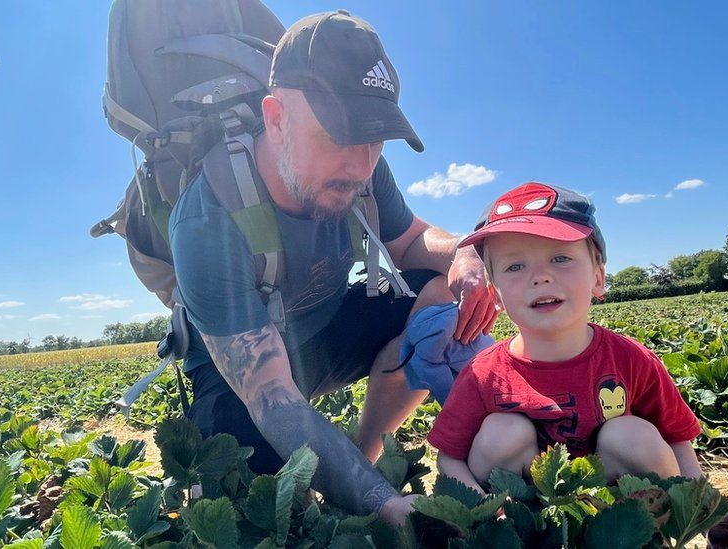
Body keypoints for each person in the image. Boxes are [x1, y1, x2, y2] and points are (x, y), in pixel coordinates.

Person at [168, 11, 496, 525]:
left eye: (374, 140)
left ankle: (363, 452)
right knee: (256, 498)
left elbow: (411, 240)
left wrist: (461, 251)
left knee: (437, 296)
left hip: (323, 332)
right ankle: (357, 486)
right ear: (276, 118)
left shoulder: (364, 168)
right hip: (243, 373)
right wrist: (387, 509)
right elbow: (273, 398)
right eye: (337, 135)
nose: (360, 164)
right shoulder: (208, 220)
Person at [426, 182, 728, 546]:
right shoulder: (483, 373)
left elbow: (678, 440)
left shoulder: (632, 359)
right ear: (495, 295)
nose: (540, 276)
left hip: (616, 520)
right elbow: (450, 460)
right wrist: (487, 511)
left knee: (631, 434)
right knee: (501, 431)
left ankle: (650, 539)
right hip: (528, 523)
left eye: (560, 258)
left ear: (598, 277)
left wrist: (710, 511)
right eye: (515, 265)